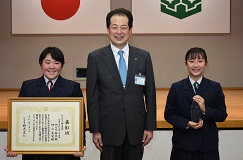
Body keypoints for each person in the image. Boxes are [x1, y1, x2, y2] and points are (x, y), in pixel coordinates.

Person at [86, 8, 156, 160]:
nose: (119, 32)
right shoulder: (95, 58)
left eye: (124, 27)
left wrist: (149, 127)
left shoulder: (143, 56)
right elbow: (92, 97)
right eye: (114, 27)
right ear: (107, 29)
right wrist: (95, 130)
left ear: (130, 30)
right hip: (108, 130)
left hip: (136, 129)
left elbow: (150, 94)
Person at [4, 47, 86, 160]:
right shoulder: (28, 87)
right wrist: (14, 145)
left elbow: (80, 120)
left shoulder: (73, 87)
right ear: (41, 64)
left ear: (62, 65)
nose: (52, 67)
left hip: (64, 154)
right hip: (35, 154)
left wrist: (79, 145)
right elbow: (19, 118)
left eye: (56, 63)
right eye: (47, 62)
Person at [164, 47, 228, 160]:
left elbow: (222, 115)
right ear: (185, 64)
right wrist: (187, 123)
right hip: (183, 146)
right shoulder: (176, 87)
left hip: (207, 146)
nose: (196, 65)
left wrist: (205, 109)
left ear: (206, 64)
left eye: (200, 61)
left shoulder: (215, 87)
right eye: (191, 61)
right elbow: (169, 114)